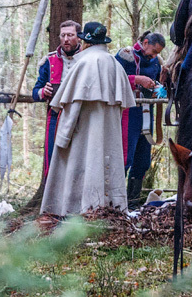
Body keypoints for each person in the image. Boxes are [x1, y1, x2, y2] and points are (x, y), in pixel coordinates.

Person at [41, 22, 135, 217]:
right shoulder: (116, 65)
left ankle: (76, 211)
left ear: (85, 42)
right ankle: (111, 210)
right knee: (106, 166)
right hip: (109, 136)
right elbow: (122, 107)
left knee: (81, 166)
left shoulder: (83, 64)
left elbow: (70, 106)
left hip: (82, 134)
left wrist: (63, 137)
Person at [115, 31, 165, 208]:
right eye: (153, 51)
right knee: (125, 158)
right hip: (129, 112)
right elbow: (113, 78)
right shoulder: (125, 56)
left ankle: (134, 203)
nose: (154, 55)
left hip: (147, 113)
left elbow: (158, 84)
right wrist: (137, 79)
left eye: (157, 53)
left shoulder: (156, 62)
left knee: (143, 160)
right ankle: (117, 203)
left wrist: (158, 87)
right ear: (144, 42)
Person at [31, 20, 81, 179]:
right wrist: (43, 92)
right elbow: (35, 92)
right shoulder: (49, 61)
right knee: (52, 159)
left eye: (70, 35)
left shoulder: (87, 59)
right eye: (63, 35)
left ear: (79, 37)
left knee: (79, 160)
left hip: (82, 116)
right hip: (55, 115)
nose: (66, 39)